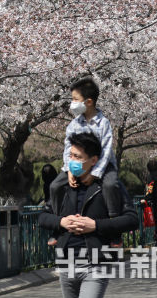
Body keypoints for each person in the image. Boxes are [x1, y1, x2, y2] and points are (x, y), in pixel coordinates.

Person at [39, 132, 138, 298]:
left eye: (77, 157)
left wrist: (96, 225)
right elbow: (43, 217)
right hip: (66, 263)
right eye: (70, 155)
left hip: (96, 264)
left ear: (93, 160)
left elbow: (132, 219)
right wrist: (61, 222)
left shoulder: (108, 187)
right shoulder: (64, 187)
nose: (72, 161)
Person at [48, 78, 119, 245]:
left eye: (75, 100)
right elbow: (68, 149)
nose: (72, 104)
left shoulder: (103, 123)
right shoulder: (74, 124)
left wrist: (95, 173)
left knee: (110, 185)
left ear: (88, 102)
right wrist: (70, 170)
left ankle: (114, 229)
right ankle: (58, 225)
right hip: (77, 164)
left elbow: (107, 150)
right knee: (55, 186)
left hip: (101, 165)